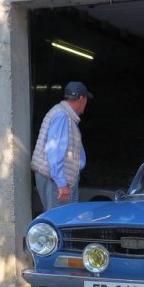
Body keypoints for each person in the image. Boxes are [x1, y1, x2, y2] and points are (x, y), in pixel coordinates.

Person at [31, 81, 92, 211]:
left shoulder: (65, 115)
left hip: (61, 178)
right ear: (81, 98)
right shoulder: (62, 116)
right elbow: (54, 150)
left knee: (66, 217)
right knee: (60, 218)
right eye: (86, 99)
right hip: (56, 180)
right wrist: (61, 183)